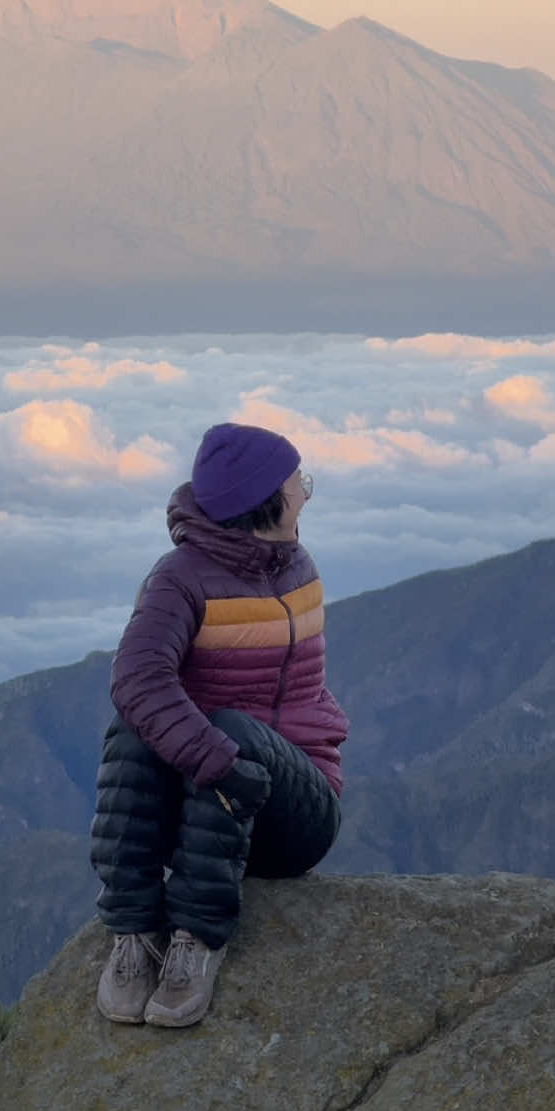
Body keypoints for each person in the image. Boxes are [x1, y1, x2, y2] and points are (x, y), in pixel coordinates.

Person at [90, 421, 349, 1028]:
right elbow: (136, 679)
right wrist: (216, 761)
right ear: (268, 502)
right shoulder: (180, 579)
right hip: (216, 801)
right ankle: (136, 933)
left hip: (295, 809)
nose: (306, 495)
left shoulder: (296, 568)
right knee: (135, 729)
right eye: (299, 484)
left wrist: (223, 758)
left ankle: (197, 940)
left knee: (227, 728)